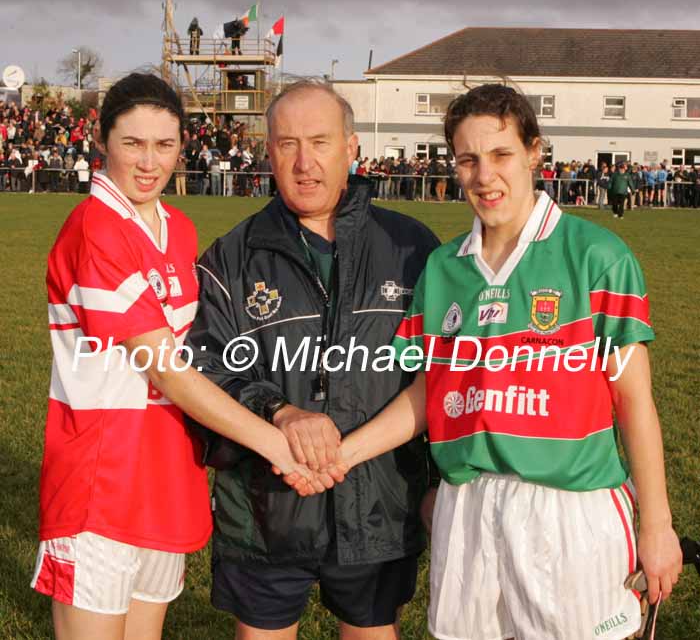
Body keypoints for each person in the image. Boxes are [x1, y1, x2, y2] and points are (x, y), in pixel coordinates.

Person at [334, 84, 683, 640]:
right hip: (469, 508)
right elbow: (431, 394)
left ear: (534, 153)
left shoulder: (598, 256)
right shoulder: (445, 267)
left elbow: (634, 401)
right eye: (468, 159)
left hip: (571, 512)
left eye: (500, 155)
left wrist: (657, 524)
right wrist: (343, 455)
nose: (484, 176)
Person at [32, 72, 315, 640]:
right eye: (132, 143)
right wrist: (275, 444)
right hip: (100, 480)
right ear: (101, 140)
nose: (148, 161)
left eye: (164, 145)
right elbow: (165, 368)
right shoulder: (95, 228)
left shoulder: (178, 229)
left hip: (168, 475)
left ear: (183, 146)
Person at [186, 80, 439, 640]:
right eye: (286, 144)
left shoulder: (413, 249)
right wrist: (280, 411)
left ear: (351, 148)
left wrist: (437, 481)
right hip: (265, 503)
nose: (304, 163)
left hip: (379, 497)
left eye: (320, 142)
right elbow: (205, 365)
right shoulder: (231, 254)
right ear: (267, 152)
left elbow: (443, 373)